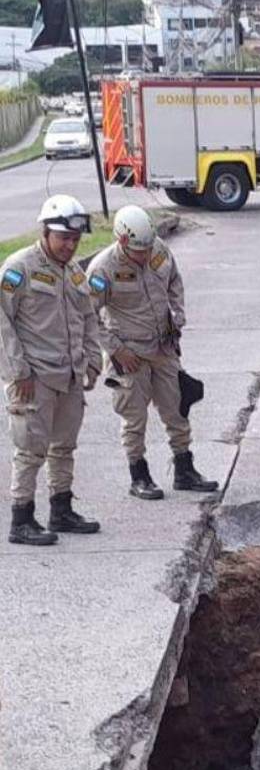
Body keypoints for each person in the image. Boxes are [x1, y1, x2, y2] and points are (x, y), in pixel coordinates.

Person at [87, 206, 217, 499]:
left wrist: (178, 317)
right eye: (138, 251)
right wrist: (116, 350)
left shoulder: (157, 250)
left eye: (147, 248)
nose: (145, 255)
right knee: (134, 418)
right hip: (129, 353)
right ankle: (139, 475)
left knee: (178, 409)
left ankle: (185, 469)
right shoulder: (102, 270)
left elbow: (175, 281)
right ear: (121, 241)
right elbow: (88, 317)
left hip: (164, 347)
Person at [1, 195, 102, 545]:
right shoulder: (20, 268)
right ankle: (22, 519)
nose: (70, 246)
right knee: (30, 451)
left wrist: (92, 359)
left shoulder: (74, 272)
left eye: (75, 240)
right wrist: (18, 372)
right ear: (45, 232)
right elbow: (2, 323)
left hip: (69, 377)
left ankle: (61, 510)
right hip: (34, 379)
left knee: (64, 447)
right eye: (64, 238)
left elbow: (88, 317)